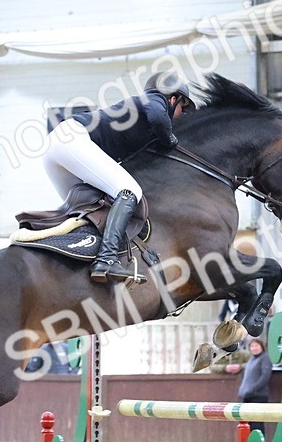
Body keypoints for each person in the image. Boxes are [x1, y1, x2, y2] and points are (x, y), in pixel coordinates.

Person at [42, 71, 193, 283]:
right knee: (130, 191)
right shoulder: (155, 99)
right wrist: (171, 140)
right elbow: (160, 119)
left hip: (57, 150)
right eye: (182, 108)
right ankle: (107, 260)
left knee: (90, 208)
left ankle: (73, 260)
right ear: (172, 98)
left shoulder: (141, 124)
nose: (181, 115)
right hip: (72, 139)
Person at [231, 338, 272, 435]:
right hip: (247, 396)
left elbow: (265, 377)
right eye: (252, 346)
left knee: (257, 424)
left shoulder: (265, 358)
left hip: (258, 396)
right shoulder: (251, 360)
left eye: (257, 345)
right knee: (249, 425)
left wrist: (252, 390)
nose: (254, 348)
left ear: (262, 346)